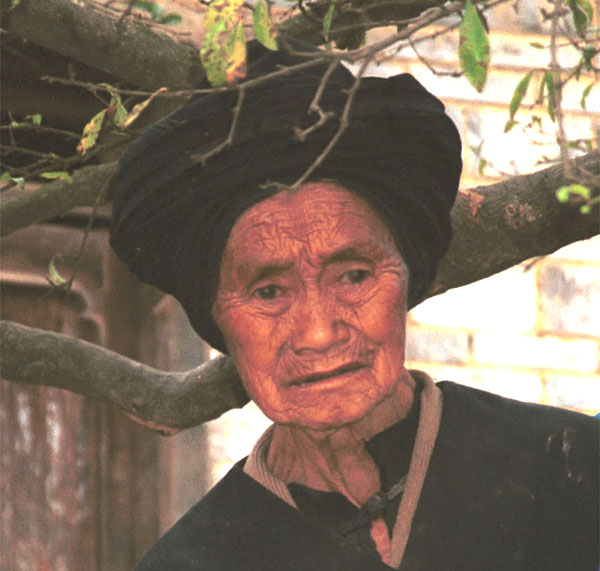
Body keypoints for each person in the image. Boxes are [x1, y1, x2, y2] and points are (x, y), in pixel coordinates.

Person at [109, 39, 599, 570]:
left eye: (354, 275)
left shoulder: (569, 468)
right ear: (219, 322)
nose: (319, 333)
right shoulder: (194, 562)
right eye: (268, 291)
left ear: (406, 282)